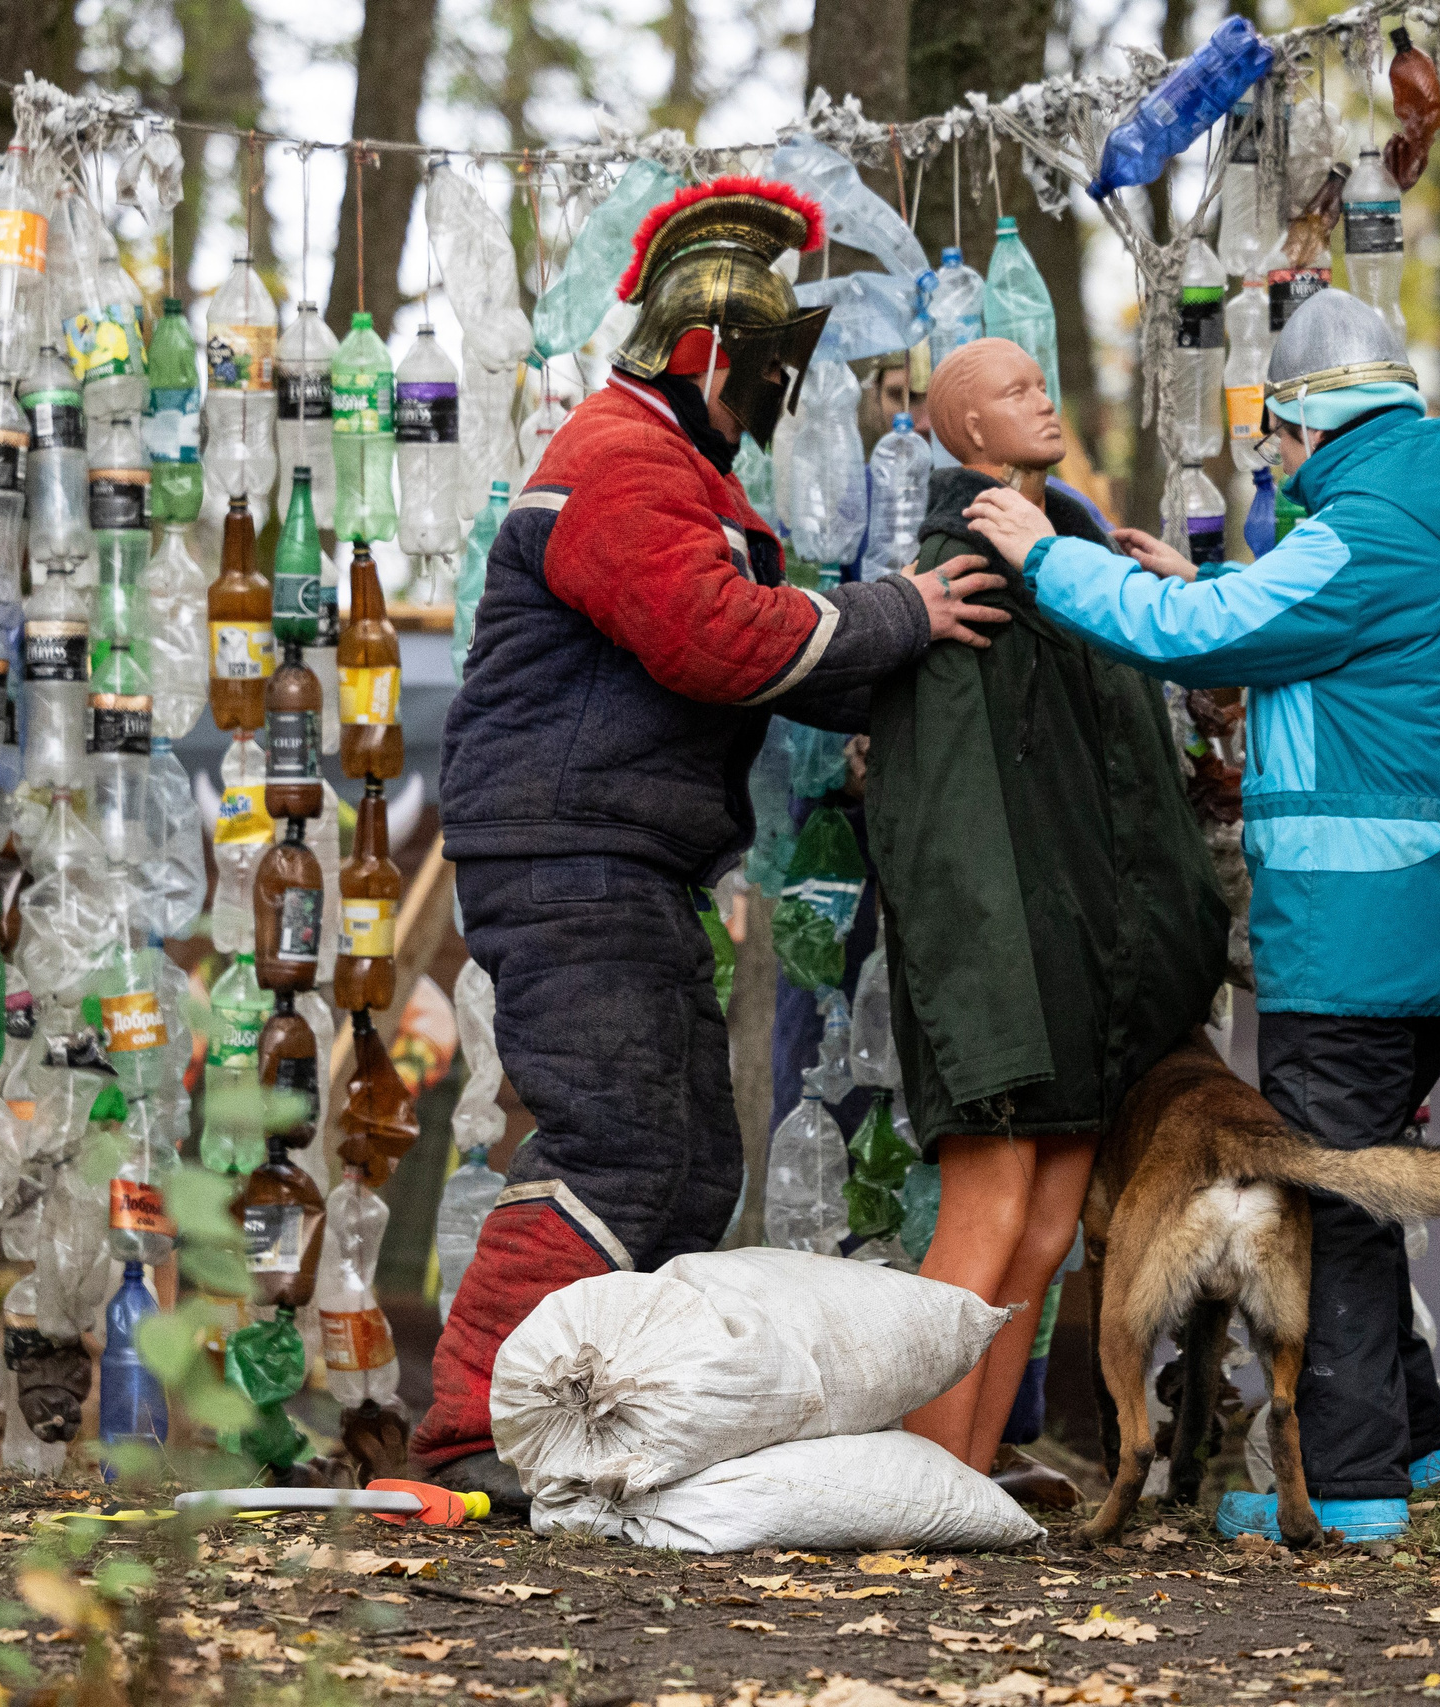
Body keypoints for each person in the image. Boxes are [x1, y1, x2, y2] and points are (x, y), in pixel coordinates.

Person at [421, 177, 1012, 1503]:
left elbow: (770, 646)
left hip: (619, 857)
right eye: (766, 372)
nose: (772, 400)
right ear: (710, 355)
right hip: (570, 857)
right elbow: (715, 637)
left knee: (689, 1164)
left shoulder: (675, 472)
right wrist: (905, 612)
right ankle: (474, 1429)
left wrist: (903, 681)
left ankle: (592, 1424)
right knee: (619, 1145)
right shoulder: (621, 460)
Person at [963, 288, 1440, 1545]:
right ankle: (1418, 1452)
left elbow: (1190, 635)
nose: (1273, 461)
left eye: (1274, 439)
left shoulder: (1360, 531)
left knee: (1332, 1199)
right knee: (1366, 1178)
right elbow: (1328, 648)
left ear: (1314, 422)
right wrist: (1217, 579)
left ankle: (1355, 1487)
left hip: (1352, 924)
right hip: (1431, 912)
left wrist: (1046, 556)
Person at [863, 335, 1229, 1477]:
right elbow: (942, 812)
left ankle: (964, 1485)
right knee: (987, 1216)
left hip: (1081, 966)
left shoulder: (1072, 565)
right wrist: (985, 986)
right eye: (1014, 390)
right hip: (1003, 967)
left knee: (1049, 1229)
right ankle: (917, 1493)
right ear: (967, 428)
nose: (1044, 400)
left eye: (1042, 380)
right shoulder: (957, 575)